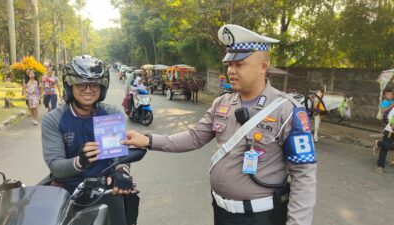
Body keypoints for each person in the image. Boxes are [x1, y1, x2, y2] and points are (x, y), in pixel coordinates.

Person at [124, 24, 316, 225]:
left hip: (261, 218)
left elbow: (304, 176)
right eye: (229, 65)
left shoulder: (286, 110)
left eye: (239, 64)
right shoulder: (222, 103)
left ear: (263, 67)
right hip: (221, 213)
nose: (231, 71)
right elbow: (195, 137)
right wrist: (148, 140)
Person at [41, 55, 139, 225]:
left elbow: (119, 156)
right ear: (70, 86)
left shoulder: (111, 114)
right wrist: (80, 161)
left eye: (94, 84)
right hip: (66, 192)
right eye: (81, 84)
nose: (88, 89)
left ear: (102, 87)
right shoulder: (54, 119)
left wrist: (122, 172)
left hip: (106, 189)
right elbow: (56, 166)